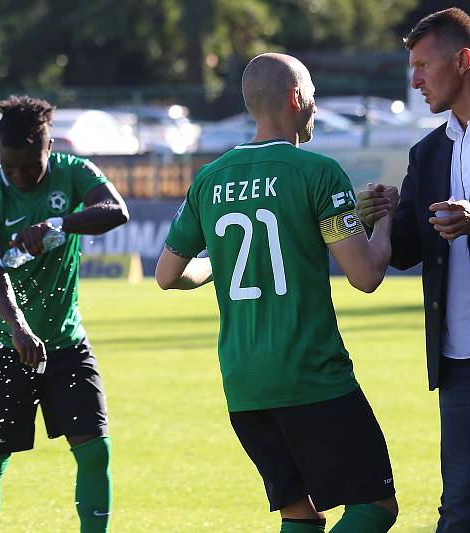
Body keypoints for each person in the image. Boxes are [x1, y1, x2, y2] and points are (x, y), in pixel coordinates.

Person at [155, 53, 399, 533]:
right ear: (296, 97)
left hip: (244, 384)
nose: (314, 102)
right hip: (310, 376)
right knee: (374, 506)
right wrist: (385, 222)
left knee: (300, 514)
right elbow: (365, 274)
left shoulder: (209, 178)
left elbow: (168, 275)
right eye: (312, 92)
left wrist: (216, 268)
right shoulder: (317, 172)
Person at [0, 95, 129, 533]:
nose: (16, 176)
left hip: (67, 343)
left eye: (27, 166)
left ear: (48, 149)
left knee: (96, 450)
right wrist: (18, 328)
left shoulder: (73, 173)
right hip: (4, 345)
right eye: (7, 165)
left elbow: (115, 211)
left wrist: (59, 224)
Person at [356, 8, 470, 532]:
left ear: (464, 61)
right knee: (459, 509)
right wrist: (377, 217)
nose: (415, 79)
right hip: (458, 361)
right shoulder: (426, 154)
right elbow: (402, 248)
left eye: (424, 64)